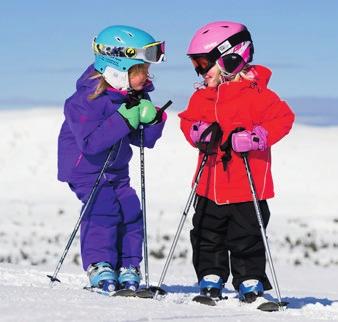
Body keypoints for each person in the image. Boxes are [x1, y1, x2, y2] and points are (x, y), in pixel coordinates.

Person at [179, 21, 295, 303]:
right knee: (206, 231)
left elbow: (283, 119)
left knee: (247, 235)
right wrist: (196, 132)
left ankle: (249, 279)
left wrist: (258, 137)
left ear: (231, 58)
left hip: (248, 186)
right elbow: (187, 120)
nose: (199, 71)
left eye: (204, 63)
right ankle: (211, 275)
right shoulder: (202, 96)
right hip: (209, 184)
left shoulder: (260, 95)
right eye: (196, 63)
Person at [57, 25, 166, 292]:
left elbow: (145, 141)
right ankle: (100, 264)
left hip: (116, 169)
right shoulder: (83, 100)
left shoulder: (134, 95)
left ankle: (128, 266)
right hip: (85, 169)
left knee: (130, 209)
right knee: (103, 208)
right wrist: (124, 119)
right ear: (116, 68)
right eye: (140, 70)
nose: (147, 76)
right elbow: (91, 143)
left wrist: (153, 119)